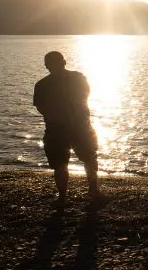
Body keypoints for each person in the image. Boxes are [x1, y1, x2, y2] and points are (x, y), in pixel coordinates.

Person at [33, 51, 102, 208]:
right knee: (83, 159)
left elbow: (41, 107)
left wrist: (57, 116)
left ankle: (67, 197)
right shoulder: (78, 78)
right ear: (63, 62)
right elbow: (84, 97)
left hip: (62, 128)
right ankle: (91, 192)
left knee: (65, 163)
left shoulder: (42, 84)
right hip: (76, 127)